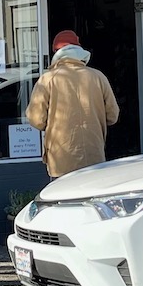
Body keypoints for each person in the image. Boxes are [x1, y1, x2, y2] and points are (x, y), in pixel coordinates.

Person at [26, 30, 120, 178]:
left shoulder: (47, 79)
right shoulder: (98, 77)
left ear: (56, 53)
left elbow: (36, 120)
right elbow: (113, 116)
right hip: (94, 156)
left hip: (61, 160)